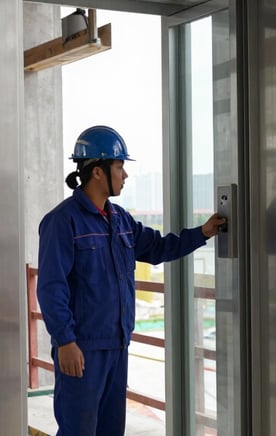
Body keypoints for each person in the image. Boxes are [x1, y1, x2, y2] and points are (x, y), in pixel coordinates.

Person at [36, 125, 225, 435]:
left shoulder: (120, 220)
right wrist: (66, 341)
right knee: (78, 430)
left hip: (117, 345)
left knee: (111, 430)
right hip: (82, 348)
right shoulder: (62, 221)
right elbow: (51, 287)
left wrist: (202, 233)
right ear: (98, 171)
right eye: (119, 166)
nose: (124, 175)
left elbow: (159, 247)